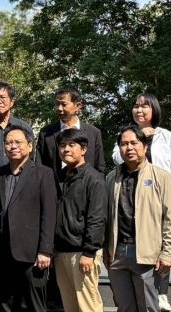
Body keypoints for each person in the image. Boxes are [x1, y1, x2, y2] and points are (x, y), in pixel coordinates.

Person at [111, 93, 171, 312]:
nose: (139, 110)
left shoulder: (167, 136)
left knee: (161, 238)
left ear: (154, 109)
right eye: (136, 106)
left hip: (160, 191)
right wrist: (137, 138)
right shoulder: (126, 136)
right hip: (132, 192)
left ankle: (161, 292)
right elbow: (117, 158)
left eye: (145, 106)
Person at [0, 124, 57, 312]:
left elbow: (49, 214)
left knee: (34, 305)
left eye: (18, 142)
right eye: (8, 142)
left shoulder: (43, 173)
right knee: (7, 305)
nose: (13, 146)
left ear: (30, 145)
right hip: (3, 254)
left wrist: (45, 250)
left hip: (32, 254)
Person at [53, 128, 107, 312]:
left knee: (88, 306)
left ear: (83, 149)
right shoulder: (59, 177)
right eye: (62, 145)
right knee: (70, 306)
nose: (66, 149)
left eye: (71, 145)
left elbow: (97, 219)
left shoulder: (94, 179)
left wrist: (89, 253)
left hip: (82, 253)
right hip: (61, 252)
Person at [36, 87, 105, 186]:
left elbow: (99, 168)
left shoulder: (93, 133)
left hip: (85, 189)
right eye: (57, 104)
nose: (59, 108)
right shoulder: (46, 133)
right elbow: (39, 167)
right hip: (53, 189)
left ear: (78, 106)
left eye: (64, 104)